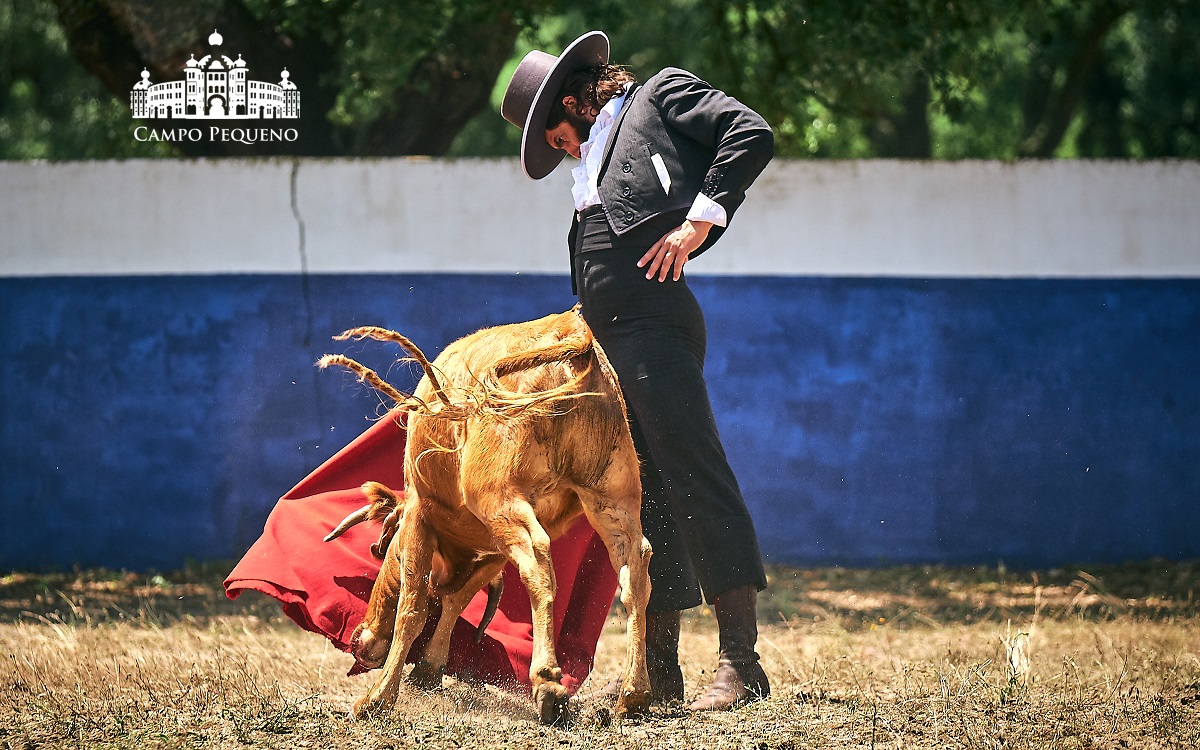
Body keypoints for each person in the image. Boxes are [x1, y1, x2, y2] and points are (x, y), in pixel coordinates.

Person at [501, 30, 774, 711]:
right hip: (607, 341)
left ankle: (742, 664)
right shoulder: (593, 156)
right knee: (642, 496)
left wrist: (696, 225)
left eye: (557, 135)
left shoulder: (660, 95)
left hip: (655, 327)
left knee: (692, 474)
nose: (561, 148)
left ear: (574, 102)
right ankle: (658, 673)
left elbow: (749, 131)